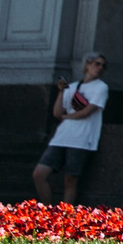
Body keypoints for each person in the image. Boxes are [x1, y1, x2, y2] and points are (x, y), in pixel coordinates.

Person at [34, 54, 109, 204]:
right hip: (62, 137)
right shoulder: (73, 87)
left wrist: (67, 117)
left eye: (103, 66)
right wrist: (62, 91)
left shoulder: (101, 87)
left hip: (82, 139)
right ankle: (48, 212)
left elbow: (88, 111)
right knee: (39, 174)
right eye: (97, 64)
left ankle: (65, 218)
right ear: (87, 65)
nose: (100, 68)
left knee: (70, 179)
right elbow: (57, 112)